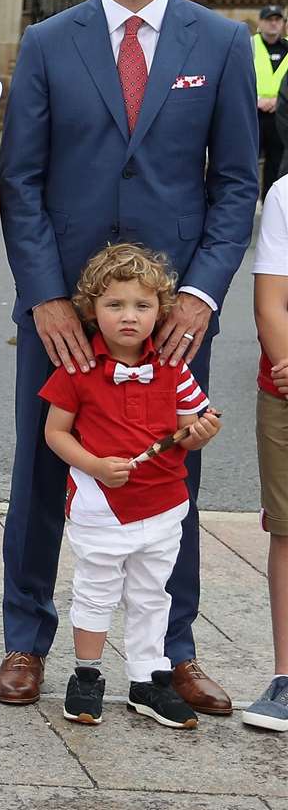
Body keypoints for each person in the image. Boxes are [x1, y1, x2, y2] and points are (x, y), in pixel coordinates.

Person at [0, 0, 257, 714]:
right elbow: (22, 182)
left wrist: (203, 295)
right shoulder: (48, 42)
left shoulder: (218, 45)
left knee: (171, 477)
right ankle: (27, 640)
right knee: (44, 467)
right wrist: (42, 297)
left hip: (172, 316)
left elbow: (235, 187)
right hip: (65, 314)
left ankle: (169, 654)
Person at [43, 243, 220, 730]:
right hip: (102, 503)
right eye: (115, 305)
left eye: (142, 306)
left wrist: (202, 430)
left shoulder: (174, 367)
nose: (129, 317)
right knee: (96, 590)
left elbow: (190, 429)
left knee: (152, 593)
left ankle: (147, 679)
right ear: (91, 310)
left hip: (163, 504)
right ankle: (86, 675)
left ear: (159, 312)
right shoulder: (77, 369)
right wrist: (95, 465)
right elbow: (55, 434)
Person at [248, 173, 288, 732]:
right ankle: (286, 677)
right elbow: (271, 301)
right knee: (287, 528)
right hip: (285, 385)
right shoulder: (285, 193)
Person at [258, 4, 288, 196]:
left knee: (277, 163)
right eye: (269, 19)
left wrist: (279, 100)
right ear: (260, 22)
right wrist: (256, 99)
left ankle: (271, 201)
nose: (273, 24)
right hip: (254, 113)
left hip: (281, 114)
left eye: (277, 19)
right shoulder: (249, 45)